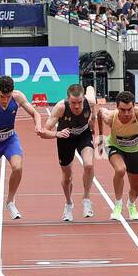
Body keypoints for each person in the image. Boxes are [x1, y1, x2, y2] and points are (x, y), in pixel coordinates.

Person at [0, 76, 44, 222]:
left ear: (12, 92)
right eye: (2, 96)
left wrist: (38, 125)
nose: (5, 100)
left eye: (8, 96)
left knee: (17, 167)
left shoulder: (17, 97)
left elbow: (35, 113)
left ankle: (10, 202)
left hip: (10, 139)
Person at [96, 91, 138, 222]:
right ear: (117, 107)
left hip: (134, 150)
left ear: (134, 106)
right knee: (120, 169)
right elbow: (100, 112)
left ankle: (131, 204)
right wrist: (100, 137)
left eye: (129, 109)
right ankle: (117, 205)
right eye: (123, 110)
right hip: (115, 146)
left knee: (136, 187)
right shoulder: (111, 117)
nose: (127, 113)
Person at [37, 84, 99, 221]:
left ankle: (86, 199)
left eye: (79, 102)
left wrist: (93, 118)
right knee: (67, 177)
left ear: (83, 98)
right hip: (65, 138)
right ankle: (69, 203)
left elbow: (90, 88)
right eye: (73, 103)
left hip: (84, 135)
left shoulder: (90, 101)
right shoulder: (60, 107)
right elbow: (44, 132)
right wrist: (57, 133)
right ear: (67, 99)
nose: (77, 106)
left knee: (88, 165)